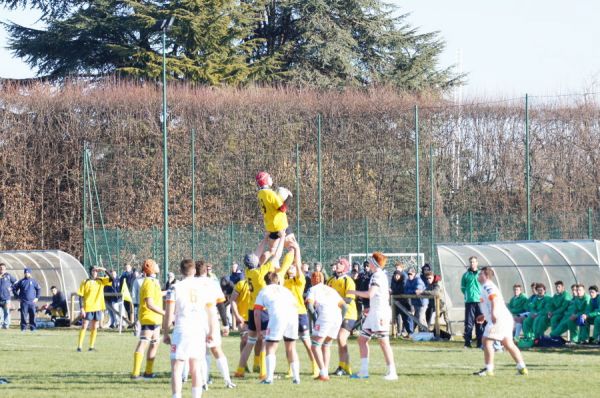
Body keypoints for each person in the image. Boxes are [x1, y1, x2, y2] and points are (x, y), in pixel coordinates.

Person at [234, 232, 290, 379]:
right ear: (257, 262)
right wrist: (283, 237)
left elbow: (257, 254)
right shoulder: (260, 273)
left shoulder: (249, 272)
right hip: (263, 309)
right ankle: (263, 373)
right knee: (265, 340)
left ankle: (240, 370)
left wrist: (265, 238)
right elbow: (277, 256)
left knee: (251, 341)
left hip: (252, 309)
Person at [162, 259, 216, 398]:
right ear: (194, 271)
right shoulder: (204, 287)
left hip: (182, 329)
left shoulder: (175, 288)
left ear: (181, 271)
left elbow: (169, 313)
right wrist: (210, 331)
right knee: (195, 367)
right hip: (198, 330)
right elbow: (210, 312)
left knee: (177, 367)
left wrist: (166, 332)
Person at [348, 252, 398, 381]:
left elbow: (370, 294)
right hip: (374, 312)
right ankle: (364, 371)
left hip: (380, 313)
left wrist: (353, 292)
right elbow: (378, 295)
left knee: (383, 342)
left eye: (370, 261)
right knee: (362, 340)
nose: (368, 263)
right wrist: (371, 307)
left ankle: (392, 372)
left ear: (375, 263)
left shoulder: (377, 275)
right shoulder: (377, 275)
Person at [472, 266, 528, 376]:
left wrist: (493, 314)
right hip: (505, 318)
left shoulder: (488, 286)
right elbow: (490, 302)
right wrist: (484, 315)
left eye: (480, 274)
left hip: (499, 318)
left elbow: (494, 299)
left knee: (486, 341)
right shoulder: (484, 287)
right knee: (509, 344)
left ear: (486, 276)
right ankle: (522, 368)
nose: (478, 276)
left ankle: (489, 370)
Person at [196, 260, 236, 389]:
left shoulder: (190, 284)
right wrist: (225, 324)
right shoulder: (212, 283)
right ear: (205, 271)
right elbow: (220, 305)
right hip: (211, 319)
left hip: (196, 319)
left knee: (202, 352)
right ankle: (227, 381)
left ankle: (204, 381)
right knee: (217, 350)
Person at [254, 271, 300, 384]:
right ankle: (296, 378)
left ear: (265, 282)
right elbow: (295, 305)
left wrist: (259, 331)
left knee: (270, 347)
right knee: (291, 348)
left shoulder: (264, 291)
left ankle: (269, 378)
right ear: (277, 280)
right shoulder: (286, 290)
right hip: (293, 316)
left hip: (278, 316)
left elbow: (257, 312)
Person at [283, 244, 318, 378]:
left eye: (293, 266)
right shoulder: (284, 280)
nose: (291, 268)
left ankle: (315, 366)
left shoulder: (300, 279)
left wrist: (297, 249)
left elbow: (297, 265)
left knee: (306, 341)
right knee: (289, 344)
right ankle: (290, 369)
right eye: (289, 267)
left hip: (300, 313)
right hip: (287, 314)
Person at [306, 271, 347, 381]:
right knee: (326, 345)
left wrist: (316, 320)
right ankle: (325, 372)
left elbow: (309, 306)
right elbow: (345, 307)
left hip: (325, 315)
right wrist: (340, 320)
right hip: (337, 316)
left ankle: (323, 373)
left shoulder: (312, 289)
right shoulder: (331, 289)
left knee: (315, 345)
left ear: (312, 280)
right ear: (323, 279)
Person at [132, 259, 165, 380]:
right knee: (144, 342)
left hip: (155, 318)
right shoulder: (148, 282)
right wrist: (165, 313)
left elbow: (156, 295)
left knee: (155, 344)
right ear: (150, 268)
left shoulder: (154, 281)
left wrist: (169, 291)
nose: (157, 265)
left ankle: (148, 372)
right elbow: (150, 304)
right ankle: (135, 374)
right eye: (155, 264)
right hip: (149, 316)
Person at [327, 258, 358, 377]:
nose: (337, 265)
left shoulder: (348, 280)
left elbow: (349, 299)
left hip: (349, 314)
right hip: (336, 313)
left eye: (340, 263)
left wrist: (335, 301)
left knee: (341, 338)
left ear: (345, 267)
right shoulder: (330, 280)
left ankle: (347, 367)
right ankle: (342, 367)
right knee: (339, 340)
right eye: (337, 263)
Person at [254, 171, 293, 259]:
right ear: (266, 180)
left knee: (272, 251)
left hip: (270, 226)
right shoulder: (271, 194)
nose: (271, 179)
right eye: (269, 177)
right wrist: (289, 196)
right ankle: (290, 271)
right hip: (280, 225)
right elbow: (282, 208)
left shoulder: (260, 194)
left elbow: (271, 206)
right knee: (293, 248)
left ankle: (260, 265)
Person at [76, 266, 112, 351]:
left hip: (98, 307)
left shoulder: (101, 280)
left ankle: (91, 347)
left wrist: (104, 269)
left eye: (96, 271)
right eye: (93, 271)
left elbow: (112, 278)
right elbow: (80, 296)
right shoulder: (85, 282)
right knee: (84, 326)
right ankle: (79, 346)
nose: (95, 272)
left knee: (95, 327)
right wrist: (82, 308)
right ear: (90, 272)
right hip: (88, 307)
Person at [461, 256, 483, 348]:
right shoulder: (466, 275)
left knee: (480, 322)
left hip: (480, 302)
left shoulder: (481, 274)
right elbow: (463, 288)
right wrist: (468, 295)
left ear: (477, 263)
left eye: (474, 262)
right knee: (469, 323)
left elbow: (485, 286)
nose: (472, 264)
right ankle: (467, 343)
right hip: (469, 302)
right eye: (471, 262)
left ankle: (480, 343)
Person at [404, 267, 428, 332]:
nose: (409, 275)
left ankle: (423, 332)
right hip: (415, 303)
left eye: (411, 274)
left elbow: (417, 291)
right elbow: (405, 291)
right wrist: (411, 291)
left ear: (414, 274)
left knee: (420, 318)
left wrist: (410, 291)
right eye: (408, 274)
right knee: (420, 319)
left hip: (422, 302)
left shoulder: (418, 280)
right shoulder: (408, 281)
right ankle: (426, 333)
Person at [390, 270, 409, 337]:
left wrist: (393, 292)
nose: (396, 277)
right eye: (395, 275)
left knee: (405, 317)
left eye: (398, 275)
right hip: (396, 302)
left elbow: (401, 290)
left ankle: (407, 331)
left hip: (403, 302)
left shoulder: (403, 281)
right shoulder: (393, 282)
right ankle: (398, 331)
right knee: (397, 317)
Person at [0, 263, 17, 329]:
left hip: (6, 298)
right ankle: (0, 325)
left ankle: (6, 325)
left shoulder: (8, 276)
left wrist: (12, 288)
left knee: (6, 312)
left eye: (3, 268)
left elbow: (16, 282)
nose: (1, 269)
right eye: (0, 268)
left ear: (5, 269)